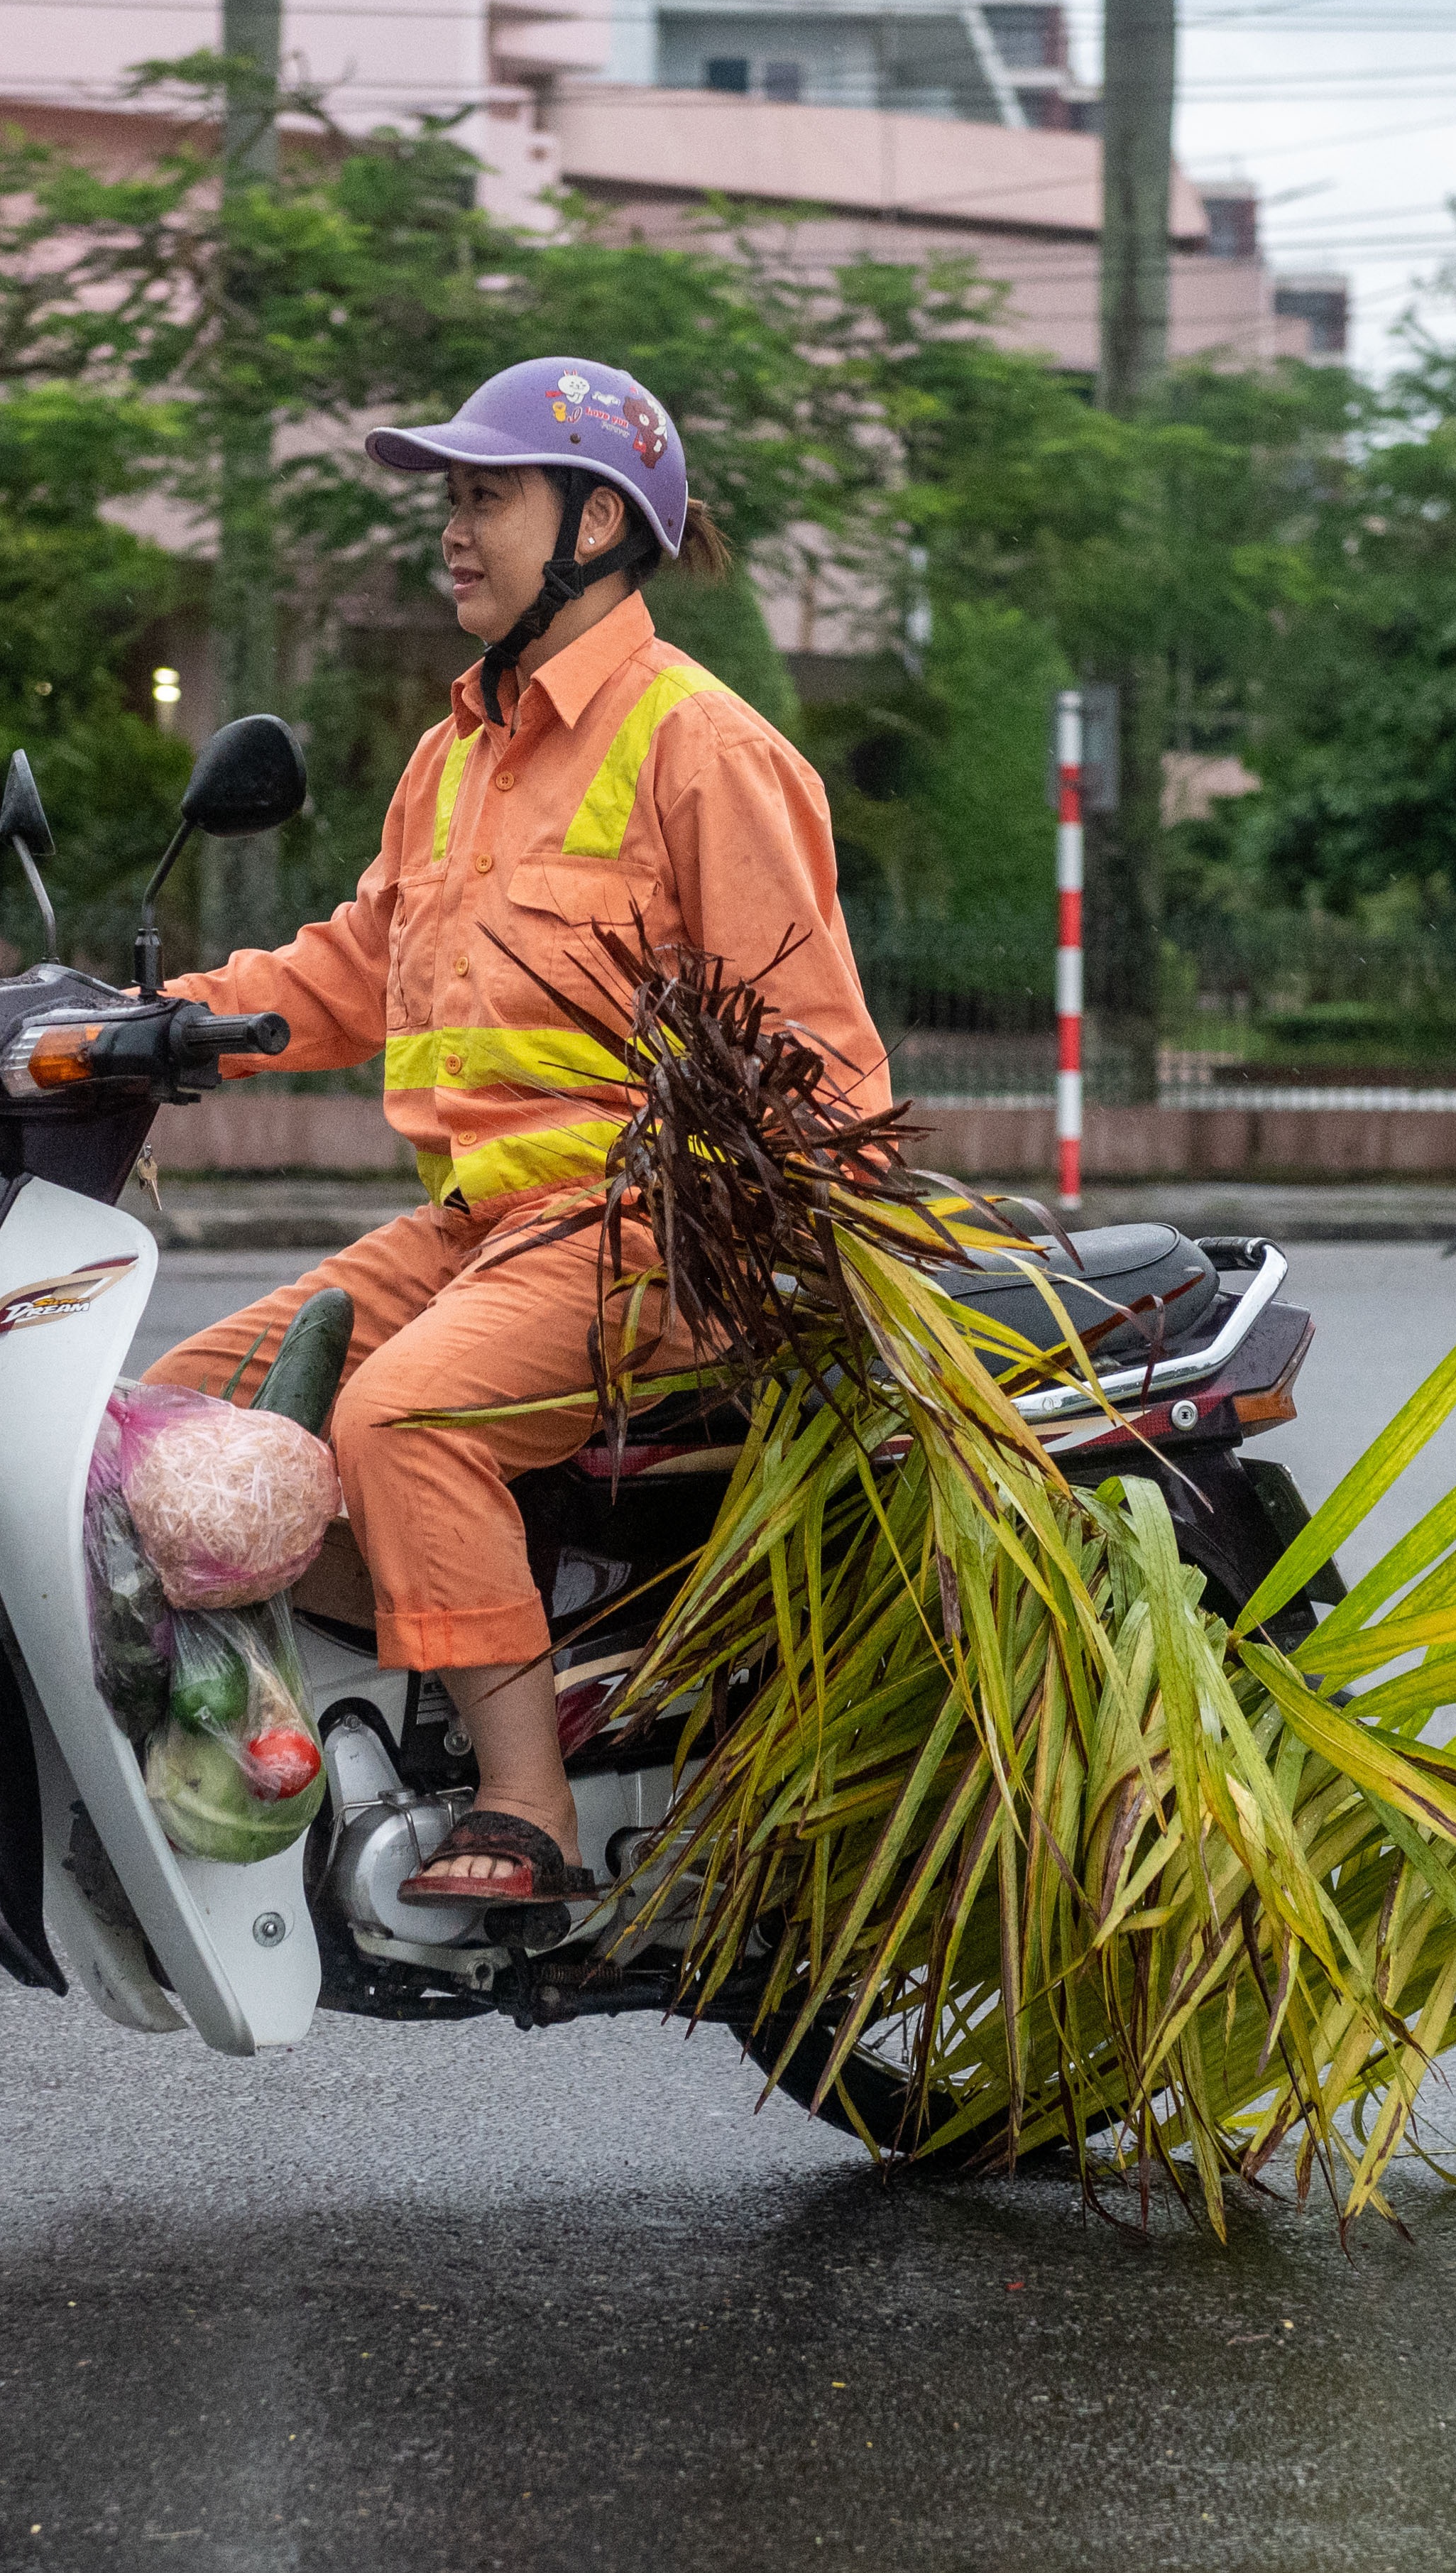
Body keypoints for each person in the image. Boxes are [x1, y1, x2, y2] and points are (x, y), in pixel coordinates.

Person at [141, 356, 889, 1908]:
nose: (452, 528)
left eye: (484, 493)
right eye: (449, 495)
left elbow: (827, 1070)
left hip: (650, 1231)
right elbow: (353, 965)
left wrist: (732, 1233)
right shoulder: (456, 756)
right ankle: (408, 1702)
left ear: (597, 519)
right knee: (171, 1435)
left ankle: (526, 1792)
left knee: (399, 1420)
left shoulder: (704, 747)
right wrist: (149, 1028)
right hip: (472, 1234)